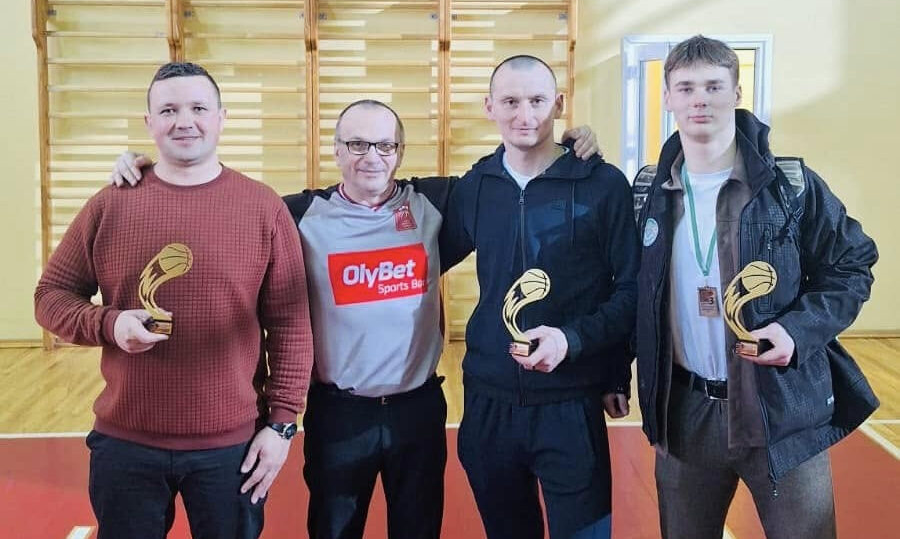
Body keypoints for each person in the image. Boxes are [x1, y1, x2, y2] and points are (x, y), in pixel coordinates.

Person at [109, 97, 599, 539]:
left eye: (385, 145)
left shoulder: (433, 203)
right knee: (334, 528)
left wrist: (563, 146)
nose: (372, 156)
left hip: (418, 411)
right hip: (339, 415)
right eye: (357, 144)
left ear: (400, 152)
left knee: (418, 529)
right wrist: (156, 170)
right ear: (337, 150)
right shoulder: (298, 214)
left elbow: (508, 174)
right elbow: (224, 203)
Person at [35, 62, 314, 539]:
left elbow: (290, 324)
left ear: (222, 118)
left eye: (198, 108)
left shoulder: (263, 207)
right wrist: (109, 324)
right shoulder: (109, 204)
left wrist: (283, 424)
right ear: (149, 123)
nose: (184, 121)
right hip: (126, 445)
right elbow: (50, 297)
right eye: (168, 110)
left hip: (232, 448)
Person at [633, 35, 879, 539]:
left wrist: (796, 331)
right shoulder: (647, 191)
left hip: (781, 413)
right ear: (668, 98)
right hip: (685, 413)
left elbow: (853, 264)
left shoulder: (790, 184)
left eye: (713, 86)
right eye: (686, 87)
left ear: (737, 92)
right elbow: (625, 292)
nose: (700, 99)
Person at [440, 55, 640, 539]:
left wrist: (592, 354)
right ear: (489, 107)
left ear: (559, 104)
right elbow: (413, 254)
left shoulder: (602, 184)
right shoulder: (475, 187)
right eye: (510, 101)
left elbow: (632, 289)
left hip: (570, 402)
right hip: (488, 403)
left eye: (537, 100)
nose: (525, 114)